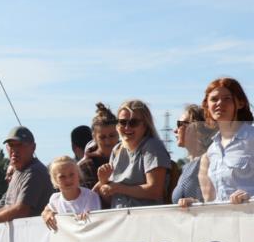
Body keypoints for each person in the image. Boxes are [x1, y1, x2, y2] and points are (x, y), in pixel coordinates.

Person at [180, 77, 254, 206]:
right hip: (225, 223)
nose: (220, 103)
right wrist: (194, 204)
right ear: (207, 106)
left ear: (241, 103)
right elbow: (211, 201)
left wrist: (251, 198)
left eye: (227, 98)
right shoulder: (210, 153)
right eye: (214, 99)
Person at [0, 126, 52, 242]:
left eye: (20, 145)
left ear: (33, 147)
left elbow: (21, 210)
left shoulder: (35, 171)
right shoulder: (18, 172)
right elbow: (6, 205)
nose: (14, 150)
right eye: (11, 145)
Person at [95, 99, 171, 208]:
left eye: (133, 122)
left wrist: (118, 188)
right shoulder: (117, 150)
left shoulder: (152, 147)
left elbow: (155, 191)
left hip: (145, 219)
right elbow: (110, 198)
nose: (127, 127)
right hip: (119, 219)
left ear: (145, 125)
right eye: (122, 122)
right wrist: (103, 182)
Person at [41, 156, 101, 231]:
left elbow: (93, 224)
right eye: (62, 176)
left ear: (78, 175)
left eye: (71, 174)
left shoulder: (90, 196)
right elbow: (46, 211)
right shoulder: (55, 198)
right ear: (55, 180)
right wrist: (47, 213)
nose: (68, 179)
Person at [170, 104, 214, 204]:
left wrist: (195, 203)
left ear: (197, 128)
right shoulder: (186, 167)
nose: (175, 130)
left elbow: (216, 199)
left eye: (179, 124)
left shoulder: (210, 161)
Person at [77, 103, 119, 191]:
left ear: (119, 134)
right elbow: (87, 200)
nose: (107, 141)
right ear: (94, 137)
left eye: (112, 136)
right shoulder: (85, 166)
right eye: (102, 137)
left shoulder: (131, 158)